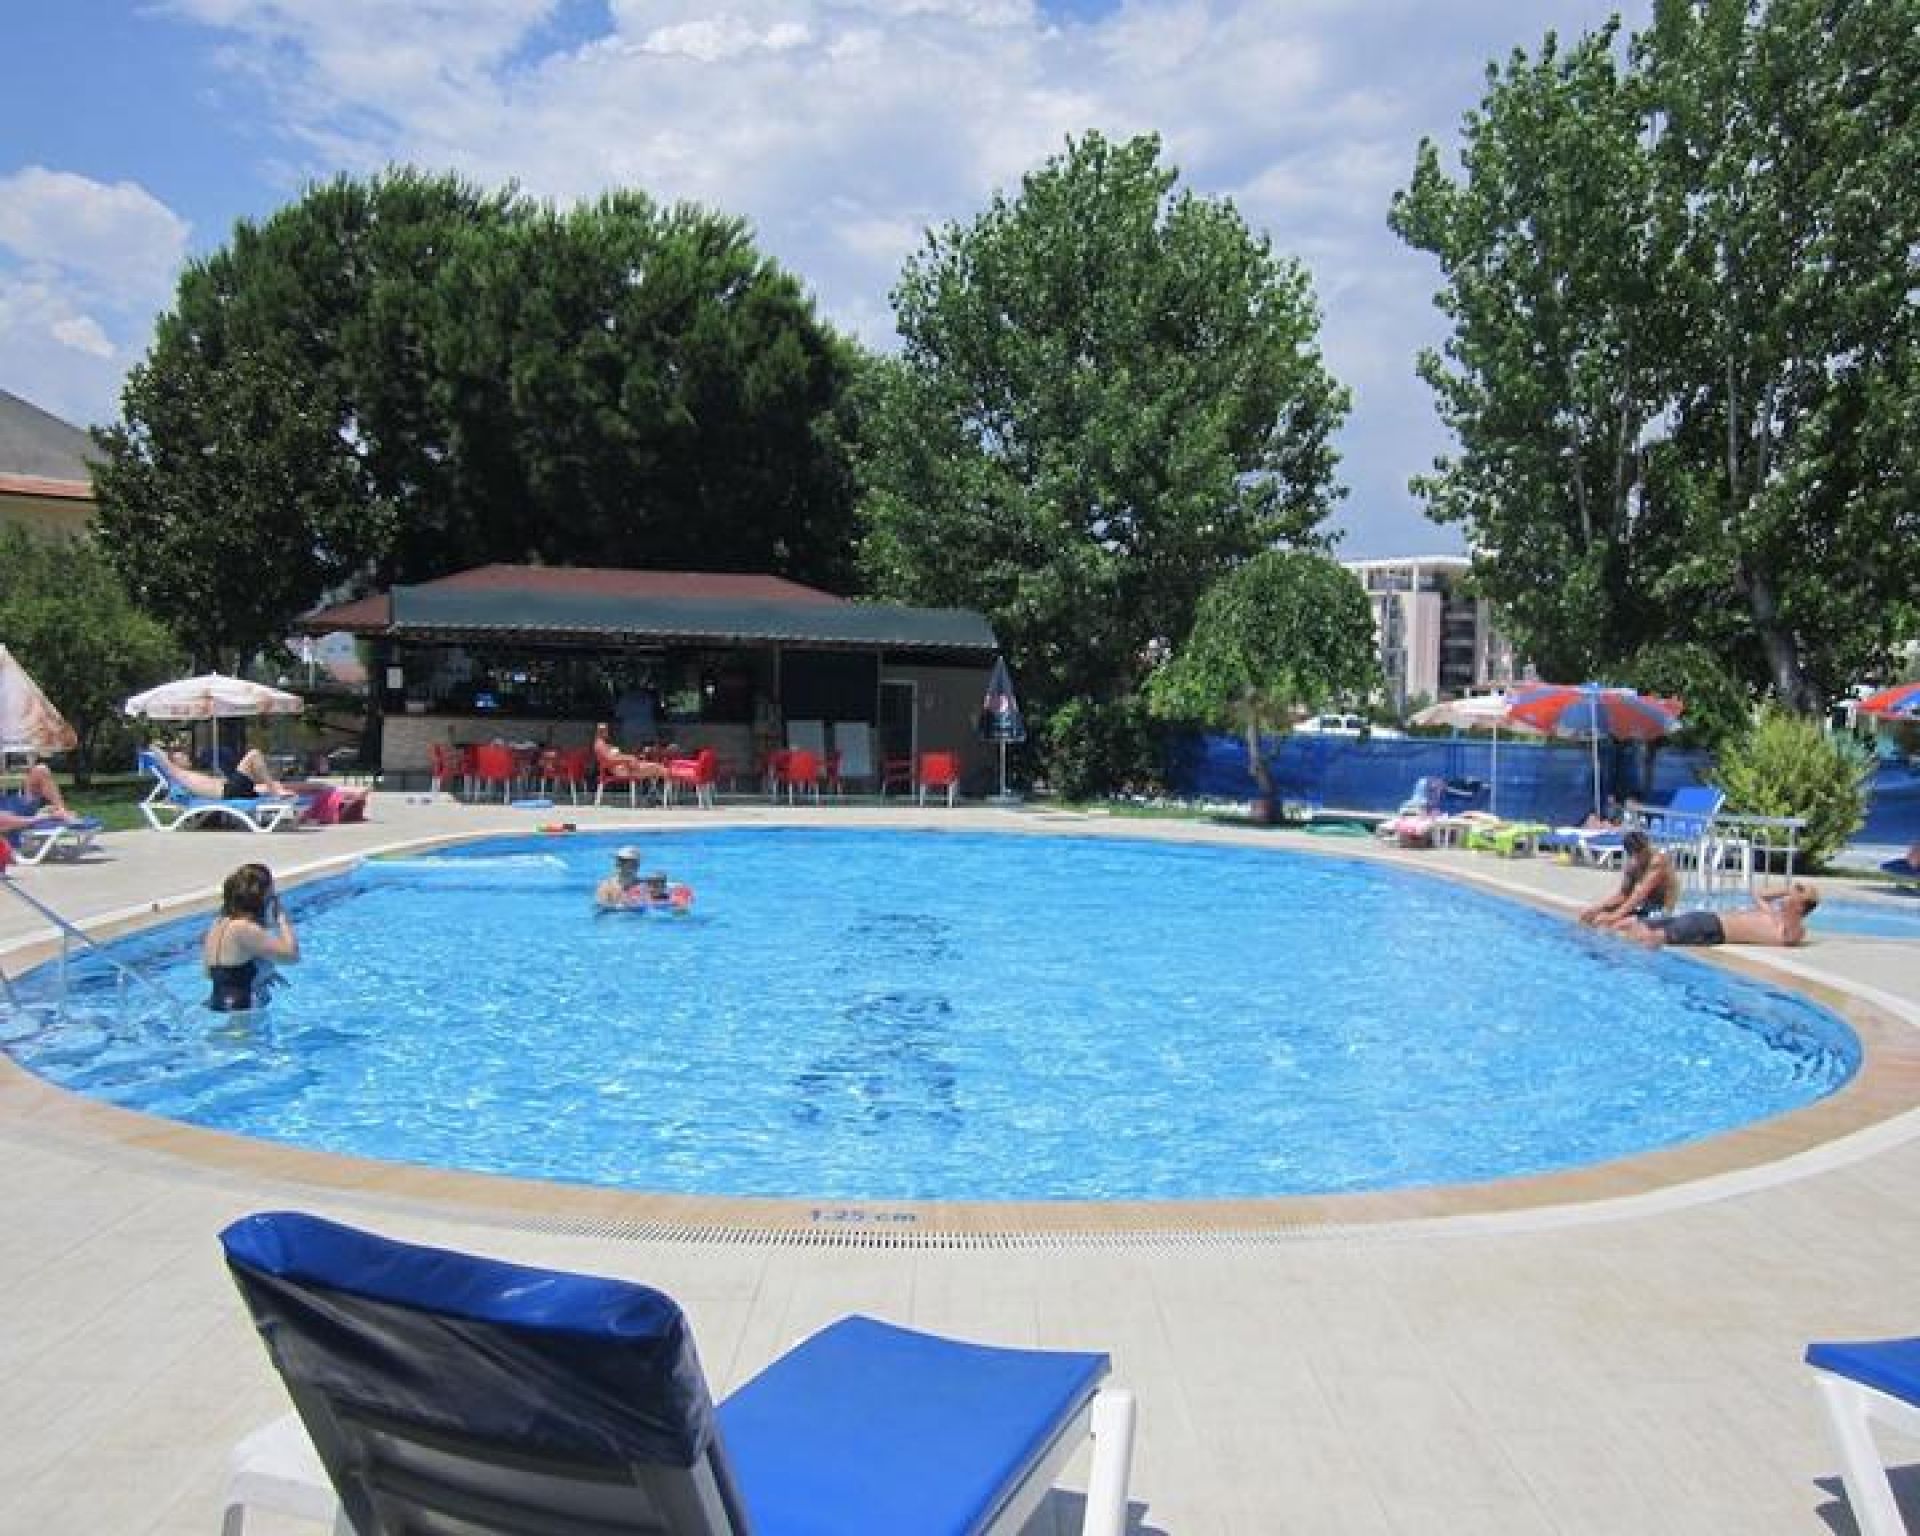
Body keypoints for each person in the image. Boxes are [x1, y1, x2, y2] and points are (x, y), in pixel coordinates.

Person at [202, 862, 300, 1011]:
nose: (275, 900)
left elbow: (211, 973)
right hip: (243, 1008)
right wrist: (282, 919)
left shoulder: (219, 923)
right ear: (262, 898)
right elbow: (292, 956)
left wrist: (263, 975)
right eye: (273, 897)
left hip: (218, 1003)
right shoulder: (244, 928)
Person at [1625, 882, 1820, 949]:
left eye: (1796, 895)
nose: (1787, 898)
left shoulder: (1793, 930)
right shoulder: (1773, 914)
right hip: (1705, 918)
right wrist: (1787, 889)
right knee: (1634, 925)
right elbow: (1759, 894)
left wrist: (1799, 899)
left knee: (1650, 936)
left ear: (1800, 906)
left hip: (1712, 929)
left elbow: (1791, 935)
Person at [1578, 829, 1677, 931]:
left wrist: (1614, 916)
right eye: (1638, 853)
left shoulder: (1658, 862)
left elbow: (1640, 894)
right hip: (1643, 908)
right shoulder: (1633, 865)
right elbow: (1623, 895)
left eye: (1645, 850)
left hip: (1662, 911)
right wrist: (1597, 908)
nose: (1645, 854)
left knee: (1618, 925)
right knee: (1593, 918)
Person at [0, 760, 81, 827]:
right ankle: (59, 814)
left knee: (41, 770)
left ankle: (62, 811)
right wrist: (46, 816)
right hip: (10, 817)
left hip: (13, 805)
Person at [595, 844, 672, 910]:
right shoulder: (606, 887)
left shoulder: (646, 885)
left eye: (623, 861)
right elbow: (602, 908)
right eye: (618, 860)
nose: (618, 863)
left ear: (636, 865)